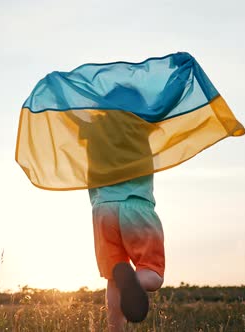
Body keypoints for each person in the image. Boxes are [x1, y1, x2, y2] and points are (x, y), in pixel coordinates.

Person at [65, 86, 165, 331]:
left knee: (114, 279)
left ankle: (114, 328)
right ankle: (135, 280)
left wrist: (59, 90)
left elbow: (71, 114)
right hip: (135, 206)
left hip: (103, 211)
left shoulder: (92, 129)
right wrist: (182, 75)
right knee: (152, 275)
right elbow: (165, 105)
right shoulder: (140, 124)